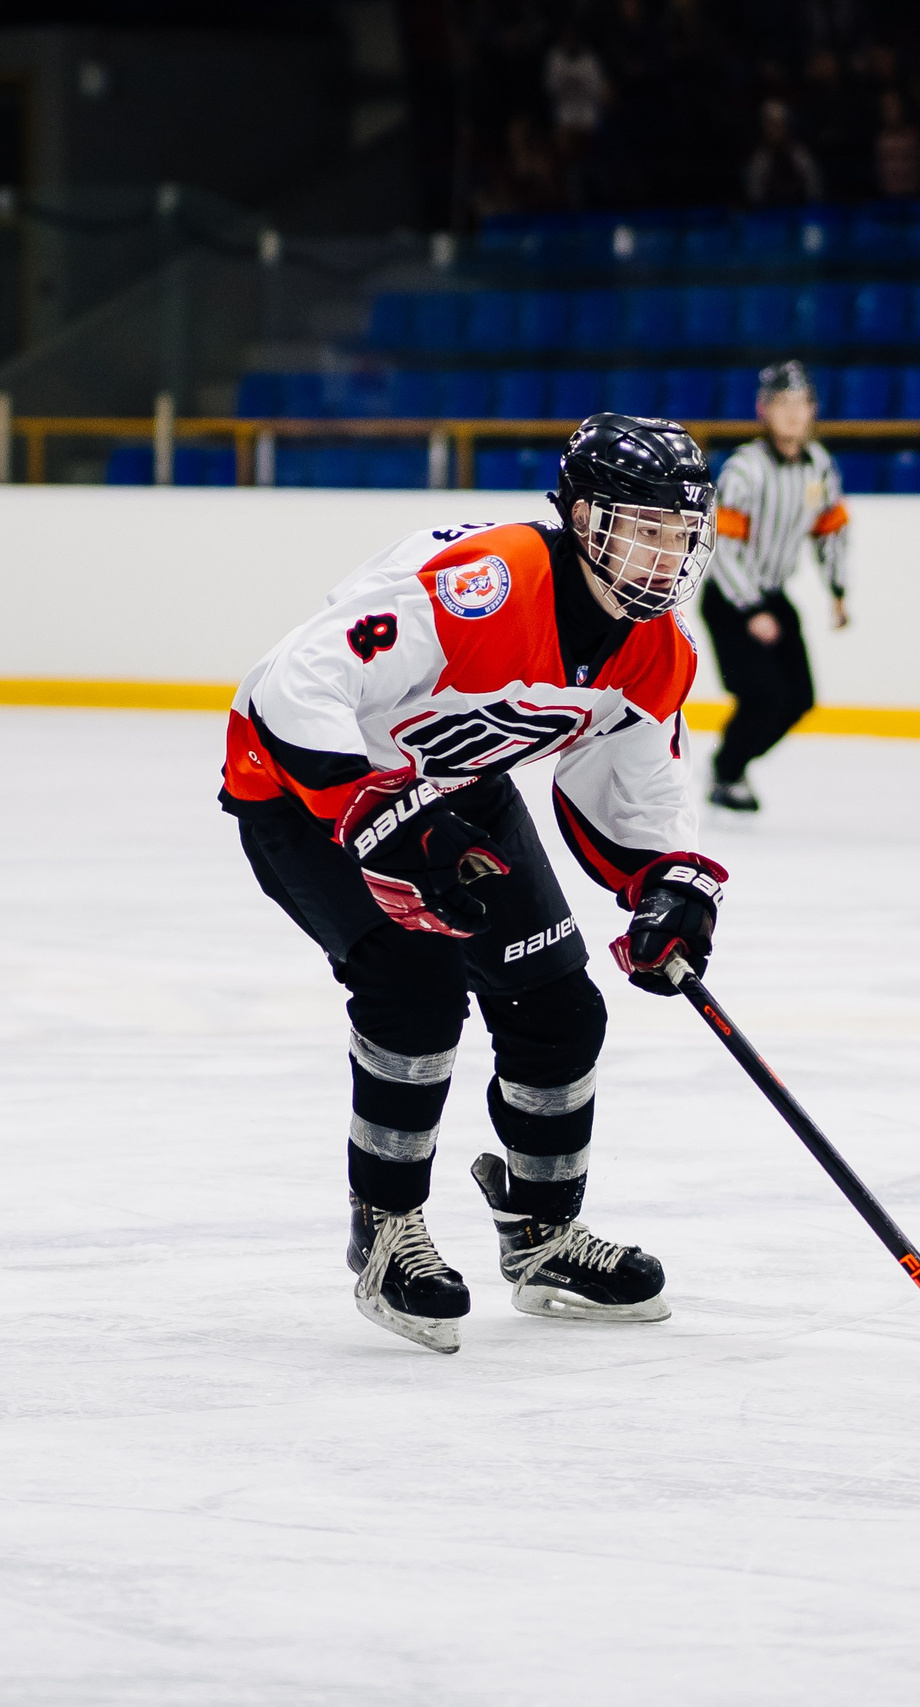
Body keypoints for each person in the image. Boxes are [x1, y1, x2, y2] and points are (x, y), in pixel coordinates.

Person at [219, 414, 730, 1354]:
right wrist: (378, 814)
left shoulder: (656, 651)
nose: (663, 557)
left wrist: (669, 888)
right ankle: (384, 1228)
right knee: (414, 991)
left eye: (679, 533)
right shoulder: (485, 586)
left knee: (560, 1009)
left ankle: (541, 1236)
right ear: (579, 515)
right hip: (303, 789)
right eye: (640, 528)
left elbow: (633, 787)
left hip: (457, 791)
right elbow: (293, 687)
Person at [699, 360, 850, 812]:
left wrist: (838, 591)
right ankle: (727, 772)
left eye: (800, 403)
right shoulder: (745, 469)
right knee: (764, 695)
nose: (791, 413)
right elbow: (721, 549)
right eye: (781, 403)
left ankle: (731, 765)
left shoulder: (819, 468)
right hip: (730, 599)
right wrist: (750, 609)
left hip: (773, 596)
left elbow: (831, 532)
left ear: (812, 409)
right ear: (763, 410)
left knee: (799, 699)